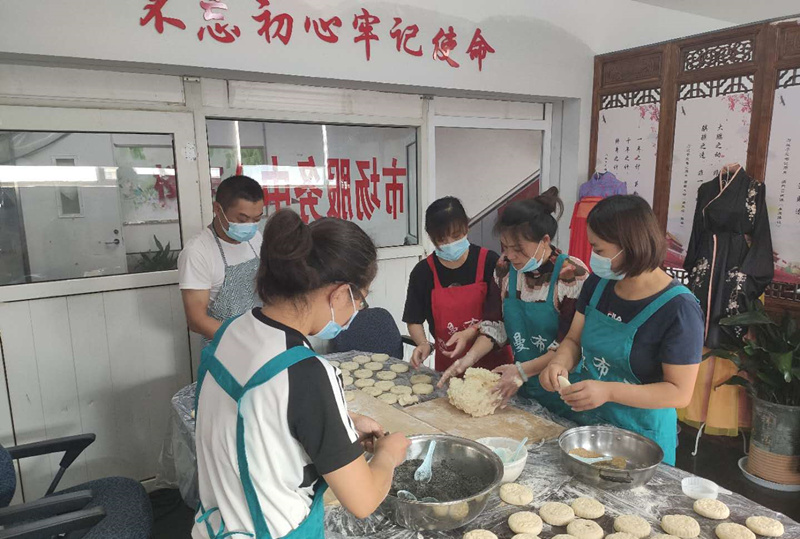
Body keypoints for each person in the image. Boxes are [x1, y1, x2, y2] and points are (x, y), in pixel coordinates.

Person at [193, 209, 410, 539]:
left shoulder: (234, 331)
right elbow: (363, 500)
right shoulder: (307, 373)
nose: (356, 312)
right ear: (340, 294)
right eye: (360, 301)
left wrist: (344, 421)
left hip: (216, 526)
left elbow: (259, 409)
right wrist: (387, 455)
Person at [539, 195, 703, 465]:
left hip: (641, 438)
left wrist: (608, 391)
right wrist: (559, 363)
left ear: (631, 246)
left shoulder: (679, 309)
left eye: (599, 249)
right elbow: (574, 340)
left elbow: (679, 392)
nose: (593, 257)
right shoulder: (598, 284)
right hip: (589, 425)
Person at [437, 188, 591, 413]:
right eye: (505, 246)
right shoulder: (505, 269)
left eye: (518, 249)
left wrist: (521, 371)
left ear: (544, 240)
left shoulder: (571, 275)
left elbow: (569, 344)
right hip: (522, 387)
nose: (510, 255)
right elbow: (495, 325)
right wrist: (468, 359)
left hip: (564, 388)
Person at [402, 197, 511, 373]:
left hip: (494, 365)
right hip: (449, 365)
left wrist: (471, 332)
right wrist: (423, 343)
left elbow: (503, 315)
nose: (450, 244)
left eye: (456, 236)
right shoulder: (423, 272)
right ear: (430, 237)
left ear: (466, 227)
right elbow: (413, 319)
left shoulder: (490, 262)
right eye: (442, 240)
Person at [178, 175, 264, 344]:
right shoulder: (197, 252)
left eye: (256, 219)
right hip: (225, 346)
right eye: (242, 219)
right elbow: (196, 320)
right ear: (217, 209)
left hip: (260, 337)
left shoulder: (256, 238)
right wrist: (243, 340)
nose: (250, 226)